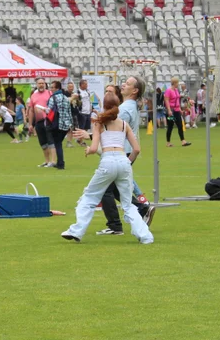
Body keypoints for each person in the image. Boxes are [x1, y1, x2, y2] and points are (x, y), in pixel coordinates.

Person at [61, 92, 153, 244]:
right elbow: (136, 149)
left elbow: (94, 147)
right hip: (123, 161)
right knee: (127, 204)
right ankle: (145, 236)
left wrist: (87, 150)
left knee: (89, 197)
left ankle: (76, 231)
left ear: (104, 106)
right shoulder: (124, 124)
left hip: (107, 161)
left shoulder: (99, 123)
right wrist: (127, 163)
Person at [28, 78, 55, 168]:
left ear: (45, 84)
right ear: (36, 84)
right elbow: (31, 110)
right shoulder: (33, 96)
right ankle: (47, 161)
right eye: (39, 83)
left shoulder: (49, 93)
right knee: (43, 142)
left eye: (42, 83)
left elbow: (54, 107)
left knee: (50, 141)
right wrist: (30, 124)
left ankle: (52, 161)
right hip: (38, 122)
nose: (41, 85)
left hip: (48, 120)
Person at [47, 81, 73, 170]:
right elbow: (69, 112)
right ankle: (60, 162)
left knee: (57, 144)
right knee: (59, 143)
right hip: (65, 125)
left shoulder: (53, 98)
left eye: (52, 87)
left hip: (56, 124)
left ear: (57, 88)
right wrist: (70, 124)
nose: (51, 89)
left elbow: (49, 110)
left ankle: (61, 164)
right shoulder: (66, 98)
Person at [164, 77, 189, 147]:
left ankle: (183, 141)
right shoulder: (168, 91)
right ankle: (168, 142)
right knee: (170, 126)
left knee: (180, 125)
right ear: (174, 83)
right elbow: (166, 100)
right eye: (177, 83)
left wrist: (180, 109)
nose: (178, 84)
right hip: (171, 111)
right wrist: (169, 110)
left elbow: (177, 100)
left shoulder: (176, 90)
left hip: (177, 111)